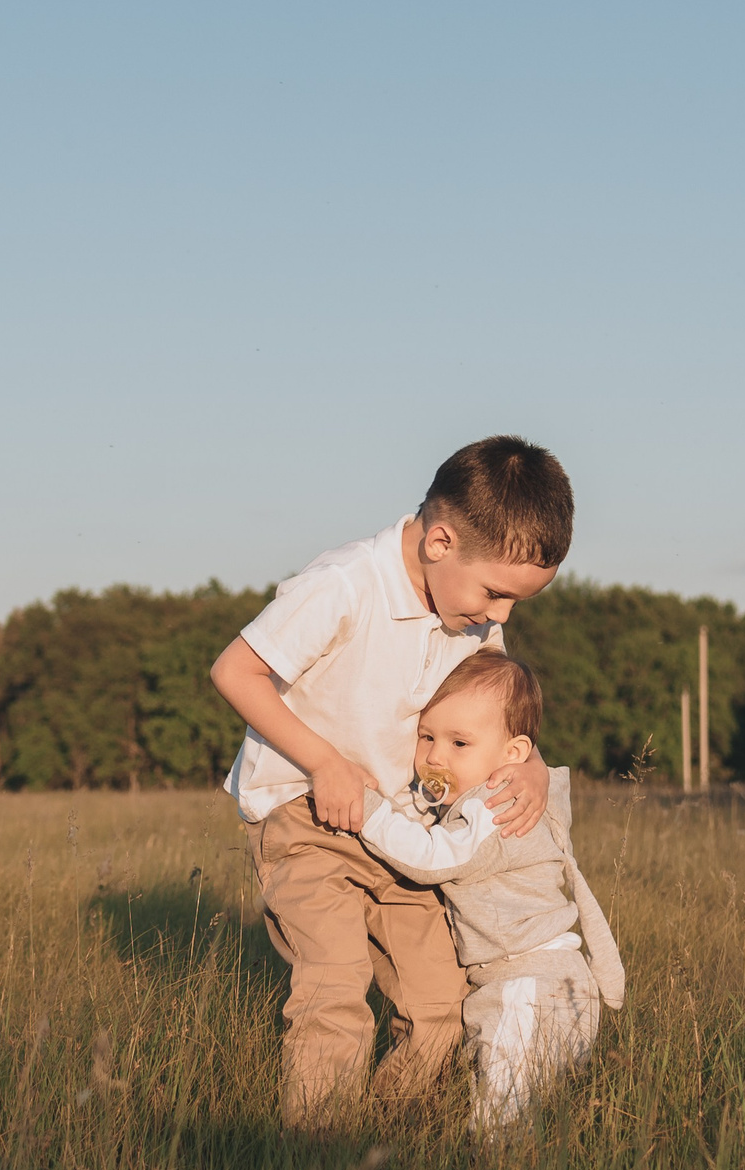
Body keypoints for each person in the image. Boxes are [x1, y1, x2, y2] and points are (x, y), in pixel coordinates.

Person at [209, 436, 570, 1128]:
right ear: (440, 541)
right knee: (337, 989)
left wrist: (530, 766)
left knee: (441, 1001)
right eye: (496, 592)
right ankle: (317, 1151)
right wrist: (324, 760)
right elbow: (235, 671)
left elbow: (495, 719)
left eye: (517, 602)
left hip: (402, 830)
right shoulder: (345, 584)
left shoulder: (471, 622)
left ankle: (384, 1133)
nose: (502, 617)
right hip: (305, 814)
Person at [351, 651, 625, 1132]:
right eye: (427, 737)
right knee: (542, 1105)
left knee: (504, 1116)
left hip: (524, 982)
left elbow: (434, 857)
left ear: (513, 754)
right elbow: (439, 809)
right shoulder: (516, 795)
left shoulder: (496, 810)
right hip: (551, 978)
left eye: (460, 742)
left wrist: (369, 809)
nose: (436, 756)